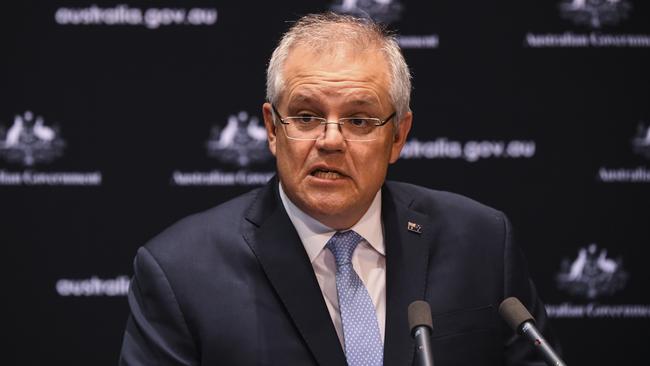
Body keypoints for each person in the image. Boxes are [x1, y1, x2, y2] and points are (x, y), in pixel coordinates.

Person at [120, 12, 557, 366]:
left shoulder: (481, 241)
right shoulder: (181, 271)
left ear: (398, 137)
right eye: (307, 117)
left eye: (359, 120)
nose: (330, 140)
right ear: (273, 129)